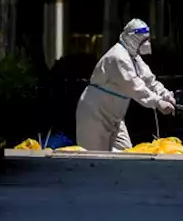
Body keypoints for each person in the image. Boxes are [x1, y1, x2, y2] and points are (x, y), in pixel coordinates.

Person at [75, 18, 176, 152]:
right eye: (143, 39)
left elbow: (149, 80)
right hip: (95, 114)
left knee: (125, 154)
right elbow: (134, 86)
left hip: (115, 116)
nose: (146, 43)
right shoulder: (118, 57)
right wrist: (158, 102)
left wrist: (165, 94)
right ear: (133, 38)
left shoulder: (133, 57)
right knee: (94, 159)